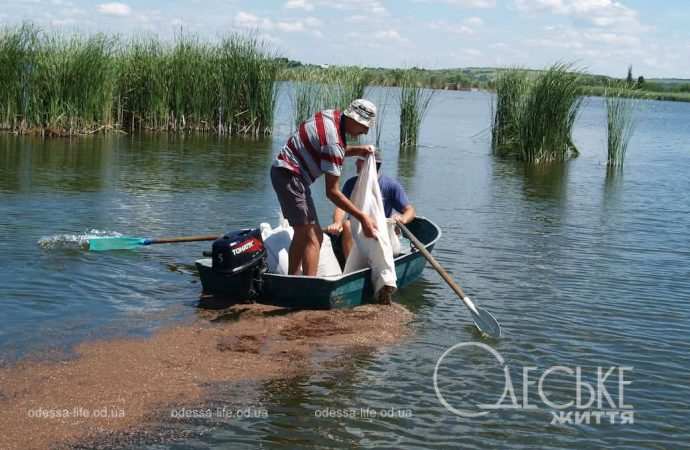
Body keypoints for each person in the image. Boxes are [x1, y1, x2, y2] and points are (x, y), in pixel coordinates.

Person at [270, 99, 379, 276]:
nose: (365, 131)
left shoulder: (331, 116)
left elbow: (327, 149)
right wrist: (362, 217)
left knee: (301, 234)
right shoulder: (334, 143)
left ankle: (292, 281)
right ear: (354, 119)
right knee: (313, 238)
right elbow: (332, 192)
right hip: (291, 177)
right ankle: (308, 289)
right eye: (364, 126)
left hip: (284, 172)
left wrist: (357, 150)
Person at [326, 151, 416, 258]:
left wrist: (402, 218)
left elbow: (410, 211)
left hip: (379, 232)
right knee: (347, 225)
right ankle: (351, 269)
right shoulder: (351, 184)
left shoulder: (391, 186)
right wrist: (337, 223)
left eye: (359, 161)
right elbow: (341, 208)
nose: (355, 163)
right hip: (356, 231)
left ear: (368, 165)